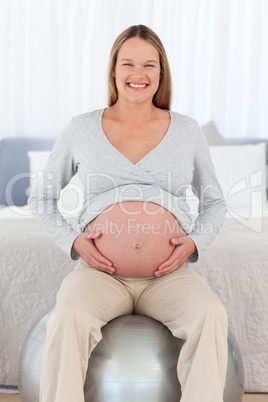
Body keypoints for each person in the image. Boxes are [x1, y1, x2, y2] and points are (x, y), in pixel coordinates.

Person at [28, 24, 228, 402]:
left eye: (150, 65)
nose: (139, 74)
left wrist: (193, 243)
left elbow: (214, 201)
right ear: (114, 71)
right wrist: (73, 241)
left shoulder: (186, 131)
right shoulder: (82, 128)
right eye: (129, 64)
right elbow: (41, 197)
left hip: (168, 276)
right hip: (99, 274)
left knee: (211, 314)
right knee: (68, 313)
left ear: (161, 73)